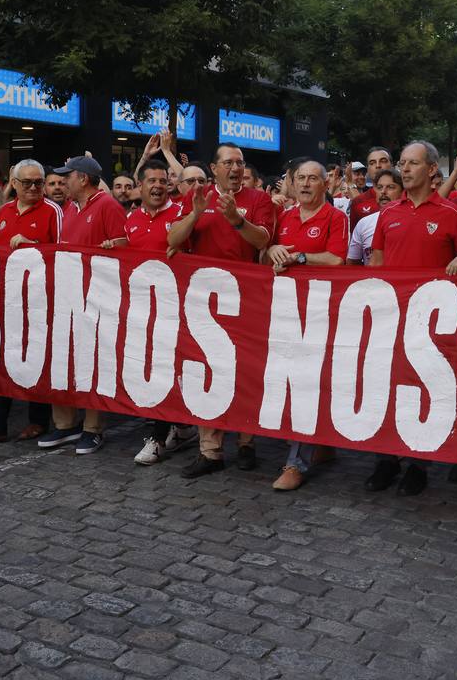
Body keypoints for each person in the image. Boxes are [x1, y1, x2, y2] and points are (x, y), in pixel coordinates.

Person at [366, 140, 457, 496]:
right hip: (392, 317)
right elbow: (377, 263)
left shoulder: (449, 213)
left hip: (431, 322)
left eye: (412, 163)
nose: (404, 169)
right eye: (402, 163)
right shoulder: (388, 213)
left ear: (432, 169)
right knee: (387, 386)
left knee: (424, 388)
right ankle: (387, 458)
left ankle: (418, 462)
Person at [167, 142, 276, 478]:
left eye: (240, 162)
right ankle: (210, 451)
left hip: (248, 301)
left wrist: (236, 220)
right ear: (213, 169)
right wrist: (198, 213)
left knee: (246, 371)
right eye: (228, 162)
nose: (235, 168)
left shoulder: (259, 200)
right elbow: (173, 239)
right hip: (204, 302)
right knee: (208, 370)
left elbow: (263, 241)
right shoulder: (195, 197)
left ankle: (246, 443)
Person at [265, 160, 349, 492]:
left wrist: (298, 258)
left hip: (320, 313)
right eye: (300, 178)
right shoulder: (283, 217)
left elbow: (337, 259)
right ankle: (322, 444)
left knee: (306, 383)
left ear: (325, 184)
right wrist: (272, 248)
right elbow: (267, 252)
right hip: (285, 311)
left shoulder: (336, 217)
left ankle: (295, 462)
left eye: (313, 178)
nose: (305, 184)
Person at [0, 161, 60, 449]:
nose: (34, 188)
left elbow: (64, 253)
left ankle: (39, 419)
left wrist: (32, 244)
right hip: (6, 298)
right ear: (14, 183)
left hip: (39, 298)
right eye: (28, 183)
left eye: (39, 183)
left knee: (35, 359)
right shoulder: (5, 211)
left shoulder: (51, 211)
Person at [42, 156, 126, 456]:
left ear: (84, 179)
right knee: (64, 360)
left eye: (69, 176)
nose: (63, 181)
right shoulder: (69, 208)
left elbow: (124, 250)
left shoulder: (108, 206)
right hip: (69, 295)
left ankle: (92, 427)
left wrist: (109, 250)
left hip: (97, 298)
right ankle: (64, 424)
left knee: (93, 363)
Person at [121, 159, 197, 466]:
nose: (156, 185)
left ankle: (156, 437)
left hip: (178, 307)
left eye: (161, 180)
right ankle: (179, 427)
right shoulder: (130, 220)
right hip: (143, 309)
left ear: (170, 184)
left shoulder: (182, 214)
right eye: (150, 180)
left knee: (166, 370)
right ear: (140, 186)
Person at [347, 168, 404, 265]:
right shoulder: (363, 223)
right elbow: (352, 262)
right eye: (379, 187)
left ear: (402, 192)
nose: (383, 192)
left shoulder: (412, 221)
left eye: (390, 187)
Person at [350, 147, 393, 224]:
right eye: (372, 163)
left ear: (392, 165)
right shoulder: (358, 202)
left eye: (383, 161)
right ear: (368, 169)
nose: (378, 165)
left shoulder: (406, 196)